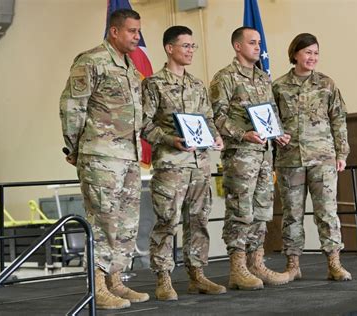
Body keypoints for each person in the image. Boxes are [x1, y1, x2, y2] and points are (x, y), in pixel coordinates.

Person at [59, 9, 150, 310]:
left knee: (126, 224)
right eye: (132, 31)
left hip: (129, 156)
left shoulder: (130, 68)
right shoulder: (91, 61)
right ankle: (96, 286)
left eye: (138, 31)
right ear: (114, 32)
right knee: (103, 222)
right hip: (101, 156)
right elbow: (72, 107)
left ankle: (116, 281)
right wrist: (76, 148)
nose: (137, 37)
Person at [141, 25, 226, 301]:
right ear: (170, 48)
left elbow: (209, 119)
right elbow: (144, 124)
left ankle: (197, 275)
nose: (190, 51)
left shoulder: (197, 85)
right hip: (171, 165)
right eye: (185, 46)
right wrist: (169, 139)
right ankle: (164, 278)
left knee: (198, 220)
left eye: (193, 46)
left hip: (199, 164)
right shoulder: (154, 84)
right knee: (167, 221)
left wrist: (216, 137)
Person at [209, 27, 289, 290]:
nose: (257, 46)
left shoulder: (264, 78)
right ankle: (237, 268)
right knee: (241, 211)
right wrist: (243, 134)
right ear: (237, 46)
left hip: (264, 155)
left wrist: (277, 134)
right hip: (240, 155)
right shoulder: (225, 78)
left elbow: (270, 113)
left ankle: (256, 263)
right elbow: (217, 118)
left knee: (262, 210)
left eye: (259, 43)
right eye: (252, 42)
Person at [272, 33, 352, 282]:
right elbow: (270, 121)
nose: (312, 57)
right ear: (295, 54)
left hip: (323, 158)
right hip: (289, 160)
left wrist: (342, 153)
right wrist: (275, 136)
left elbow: (338, 119)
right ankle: (293, 264)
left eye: (316, 53)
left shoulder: (327, 84)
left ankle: (334, 263)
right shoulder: (279, 86)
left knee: (327, 212)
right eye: (308, 52)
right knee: (292, 214)